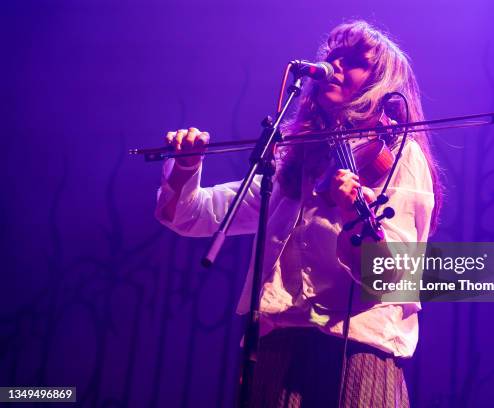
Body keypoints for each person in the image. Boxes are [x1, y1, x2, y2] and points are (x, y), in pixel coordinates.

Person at [156, 20, 441, 408]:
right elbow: (192, 215)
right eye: (333, 56)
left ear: (380, 83)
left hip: (356, 346)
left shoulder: (399, 155)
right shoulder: (295, 162)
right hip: (278, 345)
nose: (335, 65)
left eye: (354, 61)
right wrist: (186, 166)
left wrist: (353, 214)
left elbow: (391, 278)